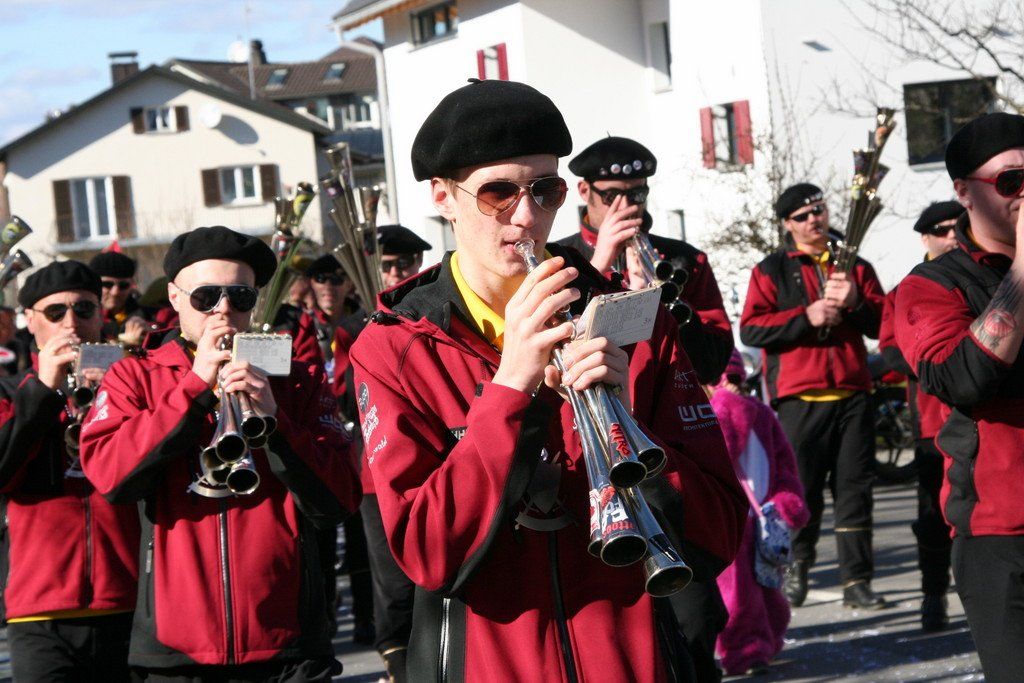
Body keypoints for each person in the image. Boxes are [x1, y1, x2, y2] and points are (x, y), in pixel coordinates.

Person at [350, 78, 746, 681]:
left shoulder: (635, 319)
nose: (527, 217)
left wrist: (632, 435)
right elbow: (426, 556)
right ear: (444, 197)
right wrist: (512, 389)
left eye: (545, 190)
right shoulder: (392, 347)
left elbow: (722, 531)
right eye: (497, 193)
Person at [78, 226, 360, 680]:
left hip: (288, 646)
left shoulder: (298, 379)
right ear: (175, 298)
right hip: (178, 651)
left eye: (240, 296)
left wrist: (277, 422)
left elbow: (340, 497)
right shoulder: (135, 377)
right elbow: (112, 477)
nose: (223, 309)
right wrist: (193, 387)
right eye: (206, 296)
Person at [893, 112, 1024, 680]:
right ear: (965, 192)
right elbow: (962, 378)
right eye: (1012, 181)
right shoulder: (931, 284)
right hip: (1002, 530)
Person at [740, 183, 887, 610]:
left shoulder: (855, 264)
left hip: (853, 394)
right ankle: (797, 572)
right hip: (799, 399)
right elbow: (751, 329)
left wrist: (855, 301)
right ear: (788, 224)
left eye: (818, 210)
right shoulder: (771, 269)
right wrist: (806, 316)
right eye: (802, 216)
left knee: (855, 493)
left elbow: (882, 323)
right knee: (801, 492)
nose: (813, 220)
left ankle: (857, 581)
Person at [0, 260, 140, 681]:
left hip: (127, 599)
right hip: (40, 610)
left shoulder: (131, 384)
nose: (71, 322)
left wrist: (118, 389)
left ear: (100, 314)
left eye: (83, 309)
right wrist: (41, 392)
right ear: (30, 320)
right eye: (55, 312)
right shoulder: (10, 391)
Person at [555, 136, 734, 385]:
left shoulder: (687, 259)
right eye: (611, 196)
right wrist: (597, 268)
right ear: (585, 191)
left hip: (666, 397)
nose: (627, 207)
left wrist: (662, 305)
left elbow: (711, 366)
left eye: (637, 194)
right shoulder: (559, 257)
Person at [878, 200, 963, 632]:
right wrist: (939, 359)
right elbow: (890, 349)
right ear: (925, 237)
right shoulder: (905, 289)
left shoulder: (987, 273)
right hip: (933, 421)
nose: (952, 235)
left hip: (984, 417)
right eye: (942, 230)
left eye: (957, 226)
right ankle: (934, 594)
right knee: (933, 515)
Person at [355, 226, 433, 680]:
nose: (397, 272)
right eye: (388, 265)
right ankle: (396, 663)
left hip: (430, 461)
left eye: (406, 263)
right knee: (393, 581)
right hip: (375, 471)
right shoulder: (354, 325)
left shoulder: (426, 309)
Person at [710, 350, 808, 677]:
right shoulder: (711, 412)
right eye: (727, 378)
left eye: (739, 378)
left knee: (769, 593)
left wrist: (787, 501)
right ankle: (745, 652)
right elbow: (723, 451)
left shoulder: (762, 415)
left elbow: (783, 462)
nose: (735, 385)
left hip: (763, 516)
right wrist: (727, 405)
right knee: (736, 595)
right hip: (728, 518)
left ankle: (766, 642)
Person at [304, 253, 373, 642]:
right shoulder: (298, 324)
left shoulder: (362, 322)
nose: (328, 287)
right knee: (322, 536)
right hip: (318, 440)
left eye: (336, 279)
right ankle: (325, 613)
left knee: (360, 537)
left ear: (348, 284)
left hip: (355, 436)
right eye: (320, 279)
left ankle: (365, 616)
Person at [89, 251, 153, 347]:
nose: (115, 292)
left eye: (123, 285)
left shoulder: (153, 316)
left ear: (132, 285)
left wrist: (150, 336)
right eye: (107, 284)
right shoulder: (80, 317)